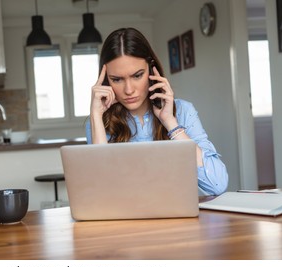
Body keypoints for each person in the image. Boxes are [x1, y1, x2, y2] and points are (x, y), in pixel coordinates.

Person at [86, 27, 228, 196]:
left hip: (177, 218)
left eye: (137, 75)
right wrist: (95, 116)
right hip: (125, 219)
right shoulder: (100, 122)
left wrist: (170, 123)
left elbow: (217, 185)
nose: (129, 90)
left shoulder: (183, 111)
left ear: (152, 71)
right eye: (117, 79)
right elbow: (102, 191)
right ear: (106, 80)